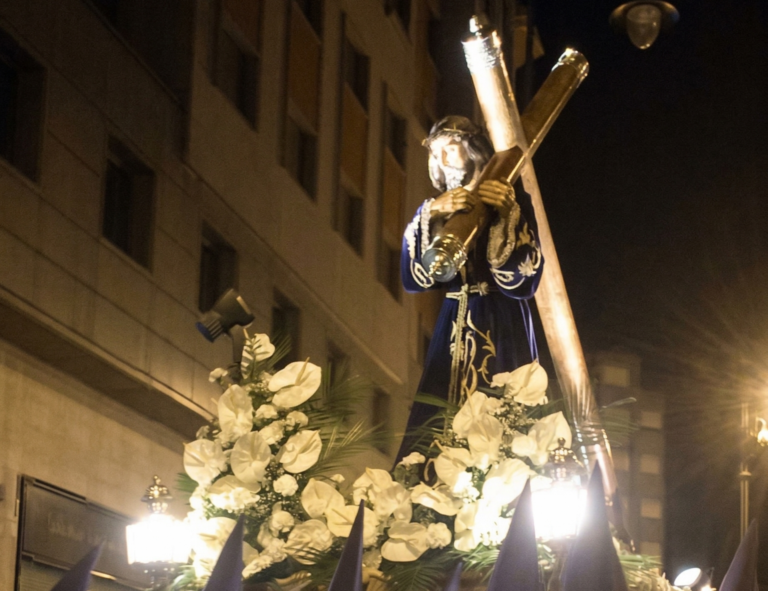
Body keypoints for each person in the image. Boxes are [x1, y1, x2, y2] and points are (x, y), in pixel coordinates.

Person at [397, 116, 544, 460]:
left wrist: (507, 212)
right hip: (453, 320)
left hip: (501, 320)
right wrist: (431, 212)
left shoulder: (511, 197)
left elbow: (524, 279)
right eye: (436, 153)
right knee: (437, 418)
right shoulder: (441, 208)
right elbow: (415, 278)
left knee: (502, 415)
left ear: (473, 150)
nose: (443, 159)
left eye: (451, 148)